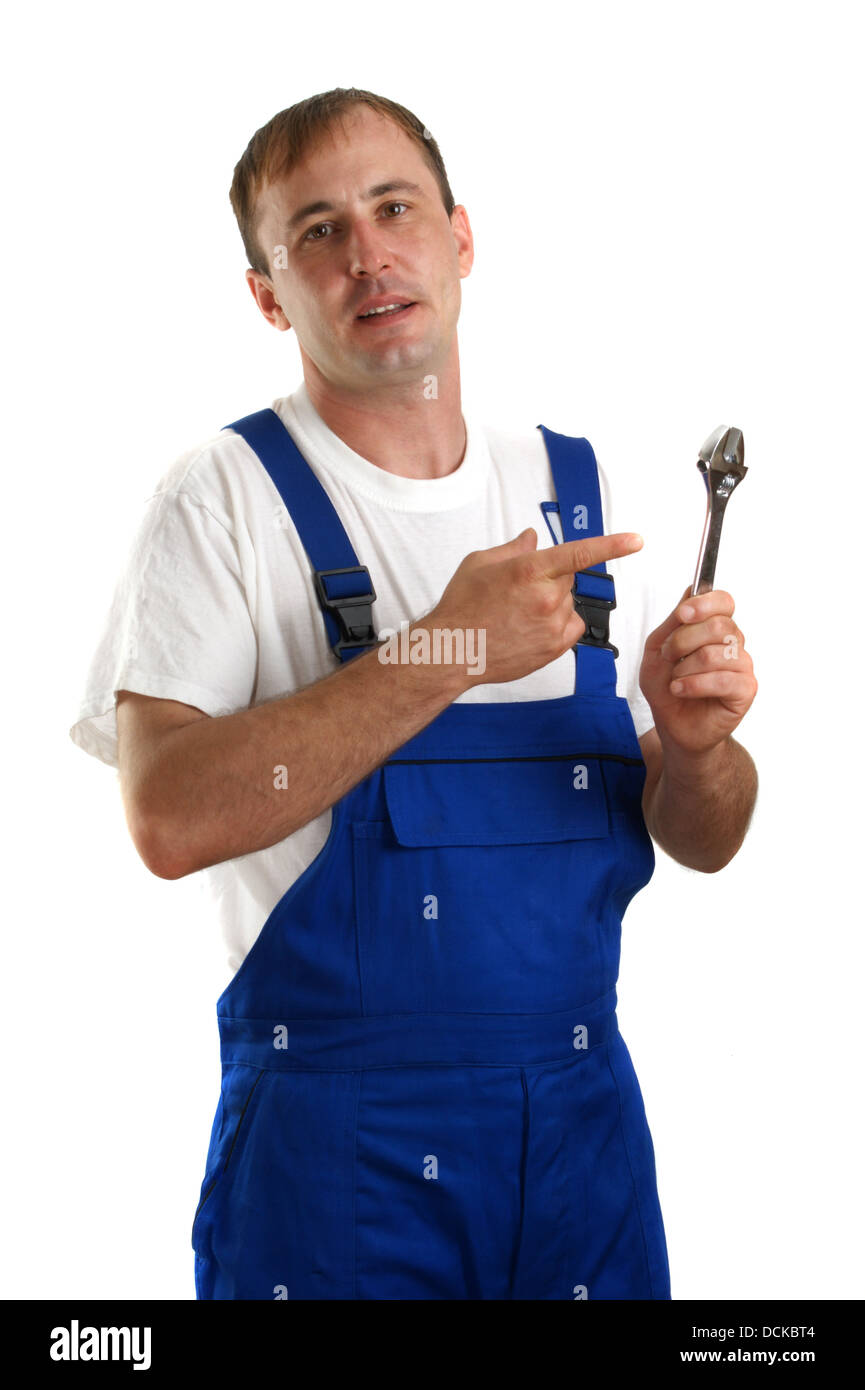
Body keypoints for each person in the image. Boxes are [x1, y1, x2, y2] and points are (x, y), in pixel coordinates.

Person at [69, 87, 758, 1301]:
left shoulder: (581, 499)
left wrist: (699, 750)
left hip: (583, 1150)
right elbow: (167, 818)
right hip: (334, 1169)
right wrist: (444, 651)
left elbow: (703, 840)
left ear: (461, 238)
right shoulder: (221, 499)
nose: (369, 253)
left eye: (396, 209)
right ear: (269, 294)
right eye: (318, 230)